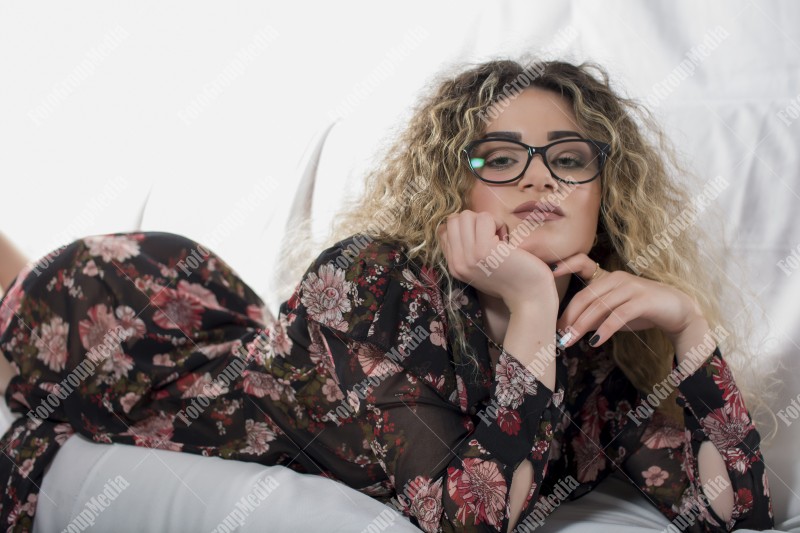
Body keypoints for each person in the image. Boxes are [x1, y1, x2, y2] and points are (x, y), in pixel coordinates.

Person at [0, 58, 773, 532]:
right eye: (502, 157)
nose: (540, 177)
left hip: (248, 337)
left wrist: (688, 325)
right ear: (454, 185)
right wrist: (531, 305)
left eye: (569, 158)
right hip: (126, 329)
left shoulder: (593, 360)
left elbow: (735, 510)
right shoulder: (369, 278)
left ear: (605, 190)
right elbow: (466, 521)